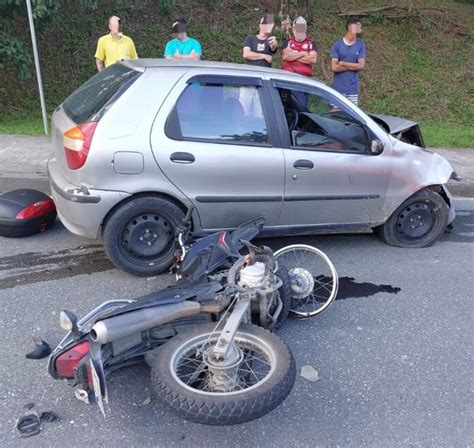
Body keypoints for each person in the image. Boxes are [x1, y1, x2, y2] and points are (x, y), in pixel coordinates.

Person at [281, 16, 317, 111]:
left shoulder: (311, 43)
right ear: (293, 29)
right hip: (288, 80)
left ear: (305, 29)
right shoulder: (287, 42)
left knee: (301, 109)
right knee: (286, 109)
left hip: (303, 82)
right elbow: (285, 57)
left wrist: (293, 54)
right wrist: (303, 53)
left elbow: (313, 59)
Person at [330, 16, 366, 106]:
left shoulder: (360, 44)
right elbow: (334, 67)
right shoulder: (337, 44)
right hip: (337, 89)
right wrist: (353, 66)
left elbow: (361, 65)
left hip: (352, 89)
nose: (361, 28)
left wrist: (343, 63)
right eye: (358, 26)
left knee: (351, 118)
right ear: (351, 27)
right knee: (335, 116)